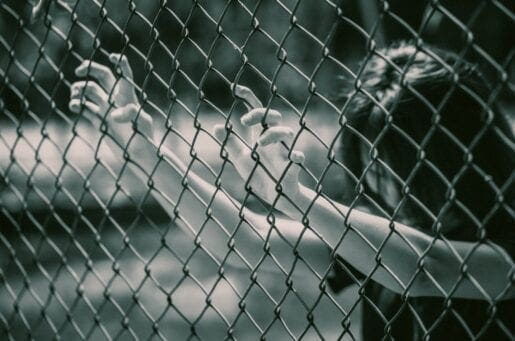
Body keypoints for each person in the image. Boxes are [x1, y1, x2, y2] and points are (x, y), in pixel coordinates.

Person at [69, 41, 514, 340]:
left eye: (397, 161)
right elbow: (245, 241)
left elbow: (428, 268)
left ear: (455, 147)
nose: (380, 179)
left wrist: (298, 200)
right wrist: (147, 155)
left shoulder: (503, 225)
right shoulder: (387, 233)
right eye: (369, 159)